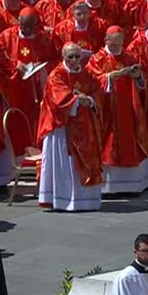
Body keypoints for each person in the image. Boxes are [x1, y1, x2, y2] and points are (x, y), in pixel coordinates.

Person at [37, 42, 104, 212]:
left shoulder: (86, 73)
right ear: (63, 57)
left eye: (77, 56)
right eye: (71, 57)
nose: (75, 60)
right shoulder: (56, 75)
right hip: (62, 128)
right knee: (66, 165)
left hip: (84, 125)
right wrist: (76, 100)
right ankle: (64, 200)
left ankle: (86, 200)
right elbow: (58, 98)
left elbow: (98, 90)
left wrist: (89, 100)